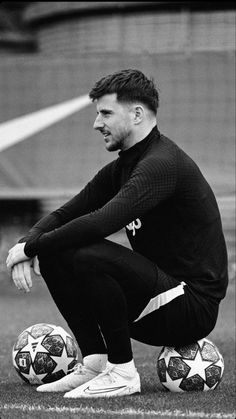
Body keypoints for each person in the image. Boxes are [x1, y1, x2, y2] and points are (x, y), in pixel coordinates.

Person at [6, 69, 228, 398]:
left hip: (189, 307)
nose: (97, 124)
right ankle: (96, 363)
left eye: (106, 113)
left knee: (86, 250)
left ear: (137, 113)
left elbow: (100, 222)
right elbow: (66, 212)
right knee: (58, 248)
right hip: (154, 298)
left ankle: (122, 371)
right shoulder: (124, 166)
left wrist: (31, 248)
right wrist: (27, 243)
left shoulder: (162, 163)